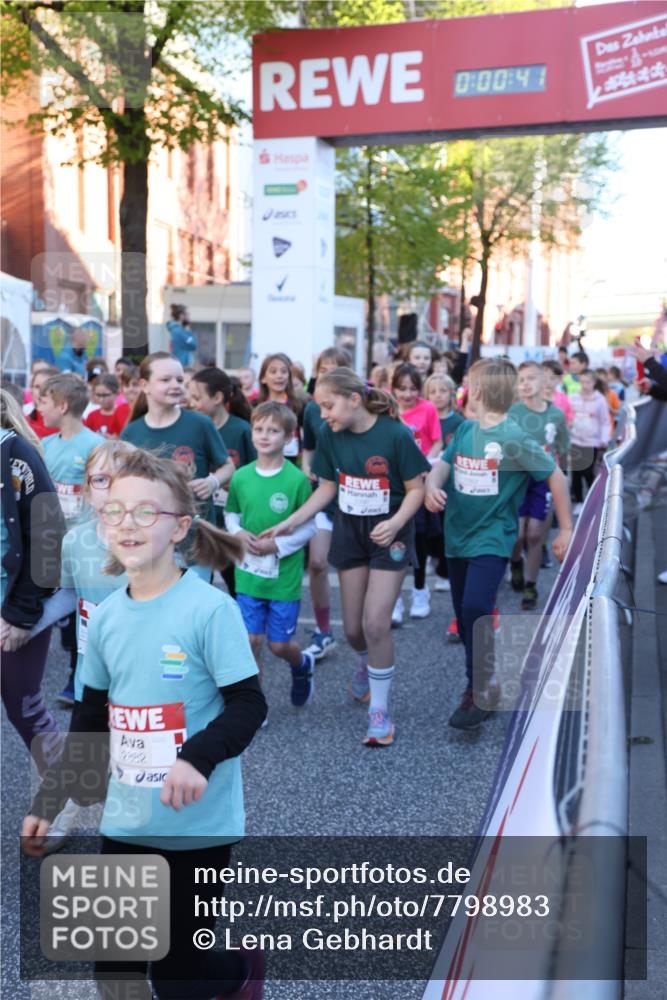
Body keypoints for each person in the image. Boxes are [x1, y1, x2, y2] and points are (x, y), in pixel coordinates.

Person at [22, 448, 266, 999]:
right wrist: (50, 801)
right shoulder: (105, 619)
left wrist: (196, 757)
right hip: (127, 821)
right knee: (116, 971)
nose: (126, 522)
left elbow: (250, 704)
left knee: (182, 976)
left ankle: (238, 971)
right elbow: (90, 721)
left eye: (144, 512)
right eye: (114, 510)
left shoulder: (209, 610)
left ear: (181, 527)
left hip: (197, 826)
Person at [264, 368, 429, 747]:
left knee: (375, 624)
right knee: (353, 630)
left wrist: (397, 520)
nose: (323, 414)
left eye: (328, 405)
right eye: (320, 407)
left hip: (391, 532)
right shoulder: (329, 435)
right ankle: (365, 661)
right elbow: (327, 487)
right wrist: (291, 522)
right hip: (350, 530)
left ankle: (380, 713)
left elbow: (416, 489)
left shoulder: (395, 434)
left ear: (354, 399)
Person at [425, 358, 573, 731]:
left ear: (478, 390)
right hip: (457, 536)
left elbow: (556, 477)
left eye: (470, 384)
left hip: (493, 538)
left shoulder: (514, 437)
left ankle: (479, 690)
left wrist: (567, 530)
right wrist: (431, 484)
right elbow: (444, 464)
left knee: (476, 606)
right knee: (466, 614)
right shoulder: (464, 431)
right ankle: (480, 680)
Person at [224, 401, 316, 710]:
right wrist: (237, 533)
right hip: (248, 574)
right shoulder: (241, 476)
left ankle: (302, 664)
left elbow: (308, 528)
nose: (265, 436)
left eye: (273, 431)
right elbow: (231, 514)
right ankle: (255, 704)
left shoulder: (296, 480)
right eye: (259, 429)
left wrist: (278, 546)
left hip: (282, 579)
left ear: (289, 438)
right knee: (250, 641)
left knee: (278, 645)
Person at [120, 353, 235, 575]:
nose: (175, 386)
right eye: (166, 380)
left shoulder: (199, 423)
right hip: (149, 540)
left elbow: (228, 466)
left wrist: (212, 482)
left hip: (195, 541)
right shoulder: (132, 432)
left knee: (194, 606)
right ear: (145, 385)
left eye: (180, 380)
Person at [1, 390, 65, 775]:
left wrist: (22, 614)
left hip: (12, 604)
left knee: (23, 705)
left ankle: (70, 788)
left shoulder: (15, 453)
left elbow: (48, 534)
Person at [58, 440, 136, 706]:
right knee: (89, 748)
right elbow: (70, 596)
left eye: (123, 478)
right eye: (101, 479)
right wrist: (20, 626)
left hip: (144, 689)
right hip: (89, 684)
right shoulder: (75, 540)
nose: (112, 488)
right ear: (88, 491)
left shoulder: (157, 542)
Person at [301, 347, 352, 660]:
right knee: (318, 563)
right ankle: (323, 631)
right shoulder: (310, 410)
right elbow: (308, 447)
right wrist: (308, 469)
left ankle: (362, 630)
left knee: (350, 571)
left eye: (335, 369)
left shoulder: (357, 408)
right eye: (323, 369)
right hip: (323, 495)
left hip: (355, 498)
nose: (328, 374)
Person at [189, 367, 256, 597]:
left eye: (197, 397)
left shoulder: (241, 429)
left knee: (235, 583)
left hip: (233, 520)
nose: (192, 403)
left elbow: (255, 471)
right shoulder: (193, 427)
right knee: (200, 583)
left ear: (217, 398)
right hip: (204, 519)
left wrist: (230, 482)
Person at [508, 362, 569, 610]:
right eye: (521, 379)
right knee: (518, 534)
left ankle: (531, 585)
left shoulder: (555, 414)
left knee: (534, 534)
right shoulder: (512, 413)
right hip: (517, 478)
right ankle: (514, 562)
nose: (525, 384)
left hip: (543, 480)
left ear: (544, 381)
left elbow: (562, 447)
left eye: (531, 378)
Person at [390, 363, 442, 623]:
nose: (407, 395)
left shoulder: (428, 409)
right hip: (394, 484)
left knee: (419, 538)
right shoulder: (389, 410)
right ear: (393, 388)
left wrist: (424, 464)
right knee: (393, 538)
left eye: (412, 389)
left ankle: (420, 591)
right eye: (402, 389)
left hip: (419, 481)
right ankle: (394, 598)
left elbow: (437, 442)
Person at [41, 373, 103, 526]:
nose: (39, 409)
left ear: (62, 406)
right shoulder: (45, 444)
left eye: (43, 402)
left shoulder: (97, 445)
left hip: (83, 534)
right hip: (52, 534)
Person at [424, 372, 464, 595]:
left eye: (443, 391)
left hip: (451, 483)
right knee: (431, 527)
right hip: (426, 480)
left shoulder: (459, 422)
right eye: (433, 391)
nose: (438, 396)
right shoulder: (425, 418)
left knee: (446, 527)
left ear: (451, 394)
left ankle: (444, 570)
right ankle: (433, 555)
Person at [569, 368, 611, 514]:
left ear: (593, 382)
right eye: (582, 382)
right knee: (576, 473)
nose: (585, 385)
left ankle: (594, 500)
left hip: (592, 442)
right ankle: (579, 501)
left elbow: (605, 422)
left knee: (587, 472)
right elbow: (568, 417)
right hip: (575, 440)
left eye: (588, 382)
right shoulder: (573, 397)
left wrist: (604, 439)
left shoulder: (600, 400)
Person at [256, 353, 304, 460]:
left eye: (284, 371)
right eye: (273, 372)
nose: (279, 376)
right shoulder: (255, 405)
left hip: (293, 461)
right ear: (263, 378)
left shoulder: (299, 404)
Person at [25, 365, 59, 439]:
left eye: (46, 387)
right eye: (37, 387)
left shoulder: (68, 423)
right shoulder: (23, 423)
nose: (41, 392)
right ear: (31, 389)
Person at [541, 360, 573, 425]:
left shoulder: (564, 398)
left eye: (552, 378)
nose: (548, 382)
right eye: (544, 378)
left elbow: (568, 417)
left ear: (560, 379)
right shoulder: (534, 398)